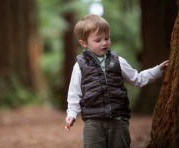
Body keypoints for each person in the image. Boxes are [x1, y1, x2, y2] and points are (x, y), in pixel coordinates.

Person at [64, 14, 168, 148]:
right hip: (93, 122)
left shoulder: (118, 61)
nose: (104, 43)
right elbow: (74, 93)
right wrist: (71, 114)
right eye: (98, 40)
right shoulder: (79, 66)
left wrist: (157, 70)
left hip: (118, 120)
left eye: (107, 38)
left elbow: (137, 79)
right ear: (84, 43)